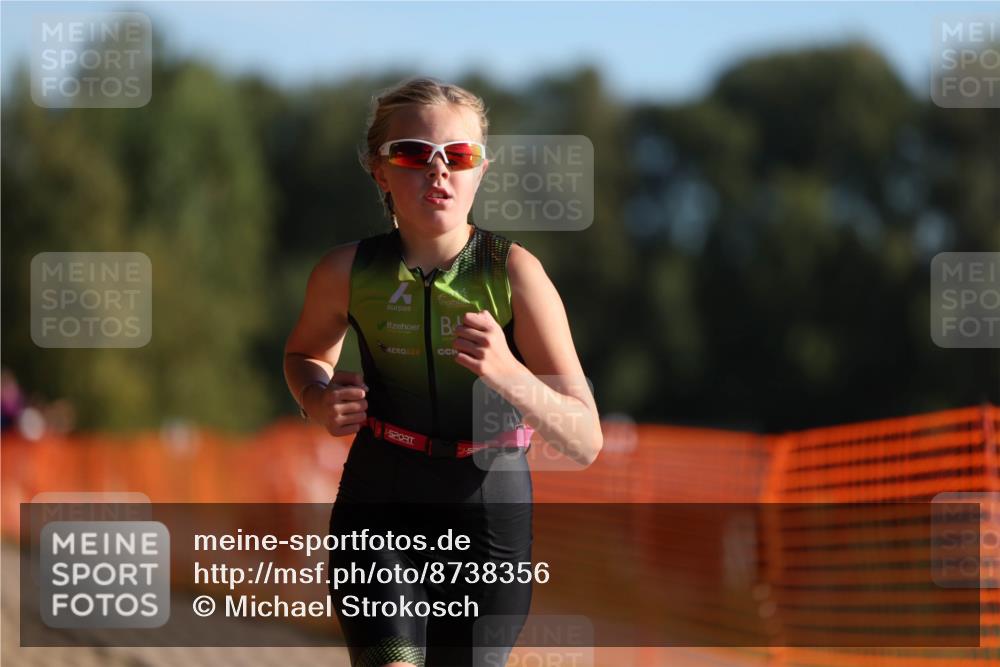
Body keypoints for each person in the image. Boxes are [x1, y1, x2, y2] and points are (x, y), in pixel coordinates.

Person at [283, 77, 602, 667]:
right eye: (412, 154)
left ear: (482, 169)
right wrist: (317, 397)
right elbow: (303, 356)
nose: (439, 172)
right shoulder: (346, 272)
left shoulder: (514, 275)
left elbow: (584, 440)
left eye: (458, 156)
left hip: (487, 506)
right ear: (379, 170)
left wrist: (509, 372)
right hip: (380, 497)